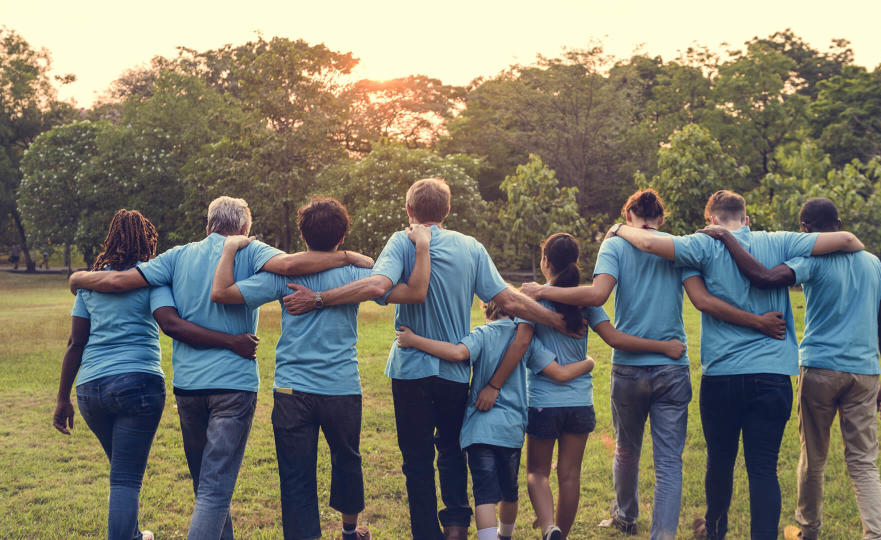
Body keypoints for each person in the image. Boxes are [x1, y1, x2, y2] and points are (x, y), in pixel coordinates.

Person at [281, 178, 581, 540]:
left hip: (409, 370)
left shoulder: (401, 241)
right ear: (447, 211)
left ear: (409, 210)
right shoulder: (470, 247)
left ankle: (425, 533)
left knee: (417, 460)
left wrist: (318, 298)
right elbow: (510, 300)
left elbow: (377, 286)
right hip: (454, 370)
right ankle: (456, 527)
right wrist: (556, 320)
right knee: (452, 451)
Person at [68, 196, 371, 540]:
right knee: (215, 490)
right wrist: (346, 257)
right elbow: (290, 267)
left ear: (207, 225)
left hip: (188, 386)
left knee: (206, 487)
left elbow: (118, 283)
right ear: (245, 229)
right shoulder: (253, 251)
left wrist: (78, 277)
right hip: (234, 383)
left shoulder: (177, 256)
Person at [521, 190, 784, 540]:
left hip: (628, 368)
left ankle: (626, 516)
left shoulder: (615, 245)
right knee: (669, 462)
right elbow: (698, 298)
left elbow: (597, 295)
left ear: (628, 216)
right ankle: (662, 535)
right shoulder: (676, 246)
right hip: (672, 366)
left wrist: (542, 292)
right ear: (661, 219)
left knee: (627, 449)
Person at [611, 190, 865, 540]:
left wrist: (619, 230)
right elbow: (849, 240)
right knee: (763, 469)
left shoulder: (702, 244)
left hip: (723, 376)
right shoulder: (780, 241)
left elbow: (652, 245)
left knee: (720, 463)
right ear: (747, 219)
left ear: (711, 221)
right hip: (774, 374)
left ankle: (714, 532)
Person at [209, 196, 433, 540]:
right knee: (348, 460)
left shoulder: (284, 276)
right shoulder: (360, 272)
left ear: (303, 236)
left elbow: (222, 293)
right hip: (341, 386)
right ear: (342, 236)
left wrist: (228, 253)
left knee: (295, 473)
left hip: (290, 389)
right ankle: (348, 531)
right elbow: (407, 288)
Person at [696, 198, 881, 540]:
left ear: (805, 228)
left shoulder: (812, 261)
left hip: (820, 367)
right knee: (864, 460)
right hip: (865, 372)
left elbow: (764, 277)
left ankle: (809, 529)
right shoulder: (873, 264)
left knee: (814, 456)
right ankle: (875, 535)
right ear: (839, 221)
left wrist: (726, 237)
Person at [53, 209, 260, 540]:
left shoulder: (91, 284)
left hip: (90, 390)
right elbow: (170, 323)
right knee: (125, 476)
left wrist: (63, 398)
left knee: (123, 472)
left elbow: (76, 342)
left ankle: (136, 534)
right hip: (137, 384)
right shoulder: (152, 279)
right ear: (146, 241)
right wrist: (231, 341)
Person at [519, 232, 693, 540]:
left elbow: (520, 337)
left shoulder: (535, 299)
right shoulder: (584, 303)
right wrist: (664, 347)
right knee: (570, 475)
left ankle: (549, 527)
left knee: (537, 473)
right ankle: (563, 534)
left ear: (545, 262)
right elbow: (615, 339)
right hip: (580, 404)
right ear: (577, 262)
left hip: (544, 401)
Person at [394, 300, 595, 540]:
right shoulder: (526, 339)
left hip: (480, 429)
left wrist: (413, 340)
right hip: (511, 430)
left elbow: (457, 353)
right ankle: (505, 535)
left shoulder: (482, 334)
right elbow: (559, 372)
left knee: (484, 495)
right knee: (509, 493)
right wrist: (589, 362)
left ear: (487, 310)